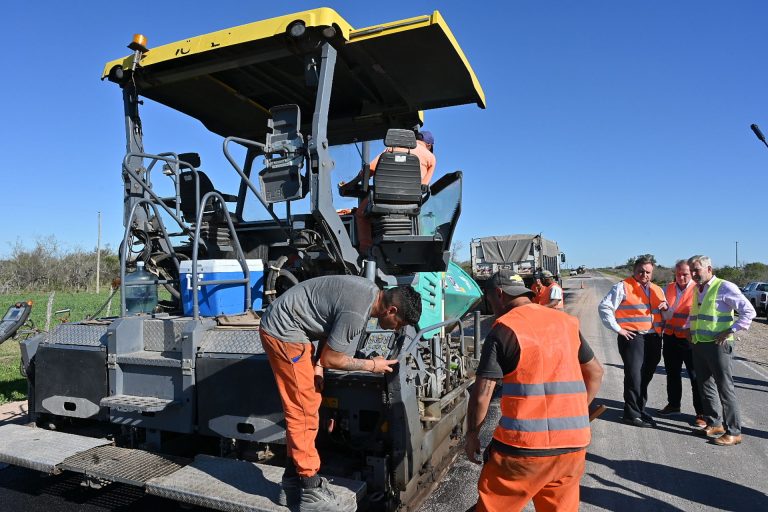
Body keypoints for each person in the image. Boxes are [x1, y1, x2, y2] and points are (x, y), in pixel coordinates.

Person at [259, 275, 422, 511]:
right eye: (400, 323)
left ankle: (292, 483)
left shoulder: (369, 292)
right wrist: (371, 365)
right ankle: (309, 488)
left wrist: (317, 367)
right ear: (391, 310)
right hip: (284, 332)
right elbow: (332, 358)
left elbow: (330, 321)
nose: (398, 328)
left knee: (310, 401)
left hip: (294, 328)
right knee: (302, 411)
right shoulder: (357, 314)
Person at [465, 270, 604, 512]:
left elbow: (483, 393)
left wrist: (472, 435)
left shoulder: (504, 328)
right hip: (571, 449)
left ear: (498, 294)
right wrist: (578, 413)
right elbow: (595, 373)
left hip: (522, 452)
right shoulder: (567, 323)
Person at [687, 255, 755, 446]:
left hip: (718, 345)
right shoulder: (697, 289)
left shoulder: (725, 286)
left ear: (709, 269)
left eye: (697, 270)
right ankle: (715, 423)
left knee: (725, 388)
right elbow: (697, 315)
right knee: (705, 386)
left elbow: (749, 311)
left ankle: (734, 432)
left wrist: (731, 330)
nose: (693, 274)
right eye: (691, 270)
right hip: (699, 343)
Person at [598, 255, 668, 428]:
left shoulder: (657, 290)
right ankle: (631, 414)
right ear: (634, 270)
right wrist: (618, 329)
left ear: (652, 272)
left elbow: (665, 313)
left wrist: (667, 310)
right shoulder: (622, 287)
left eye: (648, 272)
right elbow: (605, 307)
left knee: (646, 375)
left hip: (654, 337)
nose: (644, 274)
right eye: (641, 271)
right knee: (634, 375)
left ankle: (640, 409)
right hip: (633, 337)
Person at [355, 130, 436, 254]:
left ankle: (365, 249)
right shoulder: (431, 158)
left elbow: (369, 169)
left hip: (381, 199)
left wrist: (351, 183)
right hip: (411, 203)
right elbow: (424, 186)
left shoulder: (391, 150)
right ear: (429, 144)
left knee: (361, 214)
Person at [658, 260, 705, 427]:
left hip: (689, 339)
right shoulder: (668, 288)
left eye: (685, 273)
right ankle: (673, 404)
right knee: (672, 373)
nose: (682, 277)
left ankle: (701, 413)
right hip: (670, 336)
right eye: (678, 274)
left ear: (691, 273)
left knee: (695, 376)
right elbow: (662, 307)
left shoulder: (699, 289)